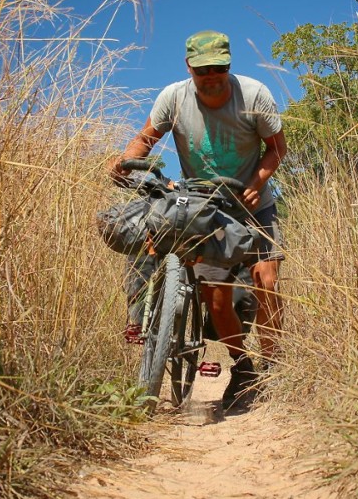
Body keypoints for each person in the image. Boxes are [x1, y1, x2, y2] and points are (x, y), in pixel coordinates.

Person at [110, 29, 287, 410]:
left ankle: (276, 370)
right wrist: (127, 160)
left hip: (251, 203)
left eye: (218, 68)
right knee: (216, 296)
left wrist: (258, 181)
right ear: (189, 66)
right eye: (203, 69)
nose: (211, 76)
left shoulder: (254, 95)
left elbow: (276, 149)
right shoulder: (173, 98)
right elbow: (145, 138)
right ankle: (243, 370)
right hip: (204, 208)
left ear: (229, 65)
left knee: (266, 280)